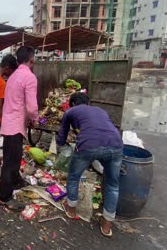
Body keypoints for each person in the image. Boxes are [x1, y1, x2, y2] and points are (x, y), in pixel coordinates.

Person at [57, 92, 123, 237]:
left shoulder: (70, 111)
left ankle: (71, 209)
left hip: (88, 146)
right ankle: (107, 225)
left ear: (72, 103)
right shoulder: (100, 110)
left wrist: (61, 146)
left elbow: (62, 133)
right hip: (116, 145)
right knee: (112, 184)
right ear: (88, 103)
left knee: (74, 177)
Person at [0, 46, 39, 211]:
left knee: (13, 158)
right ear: (31, 60)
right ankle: (5, 197)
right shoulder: (29, 77)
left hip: (10, 123)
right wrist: (34, 119)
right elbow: (31, 107)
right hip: (15, 125)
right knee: (10, 163)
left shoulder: (14, 76)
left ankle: (15, 181)